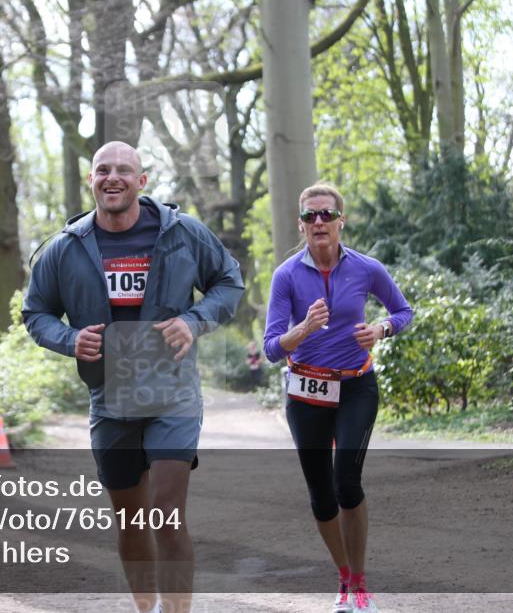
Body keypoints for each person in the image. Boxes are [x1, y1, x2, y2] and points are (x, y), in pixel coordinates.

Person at [23, 141, 244, 613]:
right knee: (129, 520)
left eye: (124, 170)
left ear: (142, 181)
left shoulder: (182, 233)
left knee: (166, 514)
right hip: (110, 395)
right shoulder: (65, 248)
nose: (113, 177)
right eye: (103, 170)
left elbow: (229, 281)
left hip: (173, 393)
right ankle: (146, 609)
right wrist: (70, 339)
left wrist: (193, 319)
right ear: (92, 180)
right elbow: (36, 312)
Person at [262, 183, 412, 613]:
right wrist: (304, 328)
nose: (319, 222)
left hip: (355, 386)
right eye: (311, 216)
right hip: (305, 390)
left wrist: (380, 330)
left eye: (327, 214)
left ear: (341, 221)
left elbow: (403, 312)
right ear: (301, 225)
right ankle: (344, 579)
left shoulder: (366, 269)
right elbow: (273, 348)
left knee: (347, 480)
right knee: (321, 496)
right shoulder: (287, 276)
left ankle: (361, 584)